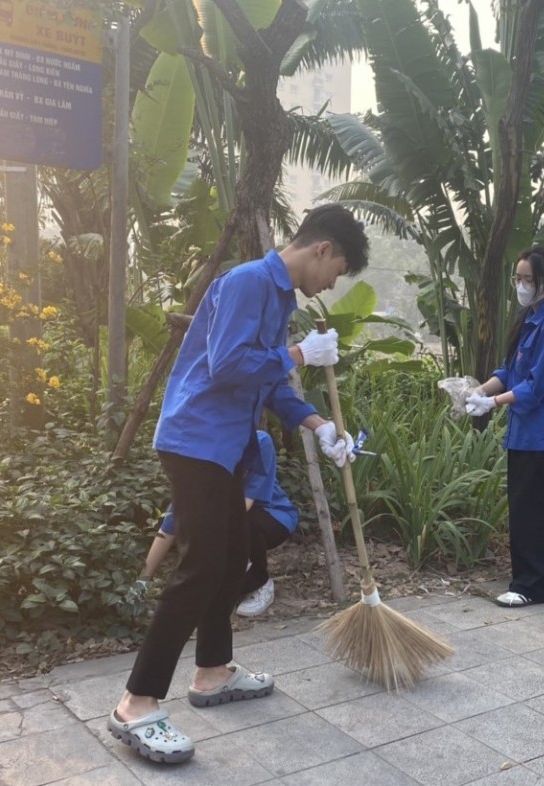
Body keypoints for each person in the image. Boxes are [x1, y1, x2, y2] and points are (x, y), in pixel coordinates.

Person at [107, 205, 369, 764]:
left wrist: (319, 425)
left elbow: (267, 381)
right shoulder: (250, 281)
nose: (332, 284)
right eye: (338, 269)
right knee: (202, 565)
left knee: (231, 561)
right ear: (322, 248)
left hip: (225, 447)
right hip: (196, 439)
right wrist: (299, 353)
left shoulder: (278, 298)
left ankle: (211, 672)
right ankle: (137, 701)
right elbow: (227, 366)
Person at [464, 247, 544, 608]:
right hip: (526, 430)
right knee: (538, 505)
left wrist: (492, 403)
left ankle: (530, 584)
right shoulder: (530, 316)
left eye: (528, 280)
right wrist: (477, 391)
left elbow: (537, 385)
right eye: (518, 278)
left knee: (532, 509)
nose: (520, 285)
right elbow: (509, 371)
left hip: (541, 432)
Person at [130, 431, 298, 618]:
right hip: (229, 521)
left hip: (272, 516)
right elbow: (168, 527)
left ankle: (260, 582)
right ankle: (237, 581)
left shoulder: (259, 443)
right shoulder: (197, 462)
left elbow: (243, 506)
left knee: (227, 520)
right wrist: (142, 580)